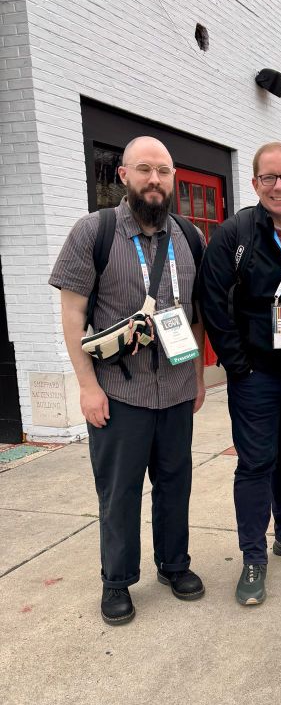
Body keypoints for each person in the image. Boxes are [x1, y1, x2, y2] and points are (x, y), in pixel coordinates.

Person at [49, 136, 206, 626]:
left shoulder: (189, 237)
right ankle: (116, 581)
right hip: (119, 393)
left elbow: (195, 315)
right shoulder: (92, 233)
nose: (154, 179)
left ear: (173, 176)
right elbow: (72, 315)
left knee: (176, 484)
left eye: (162, 170)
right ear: (123, 175)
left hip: (178, 390)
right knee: (119, 492)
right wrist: (87, 387)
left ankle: (174, 565)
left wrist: (199, 377)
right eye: (144, 169)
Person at [199, 142, 281, 607]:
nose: (279, 186)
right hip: (255, 374)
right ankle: (253, 555)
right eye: (269, 178)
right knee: (255, 464)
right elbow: (212, 301)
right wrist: (237, 364)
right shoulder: (234, 234)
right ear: (255, 183)